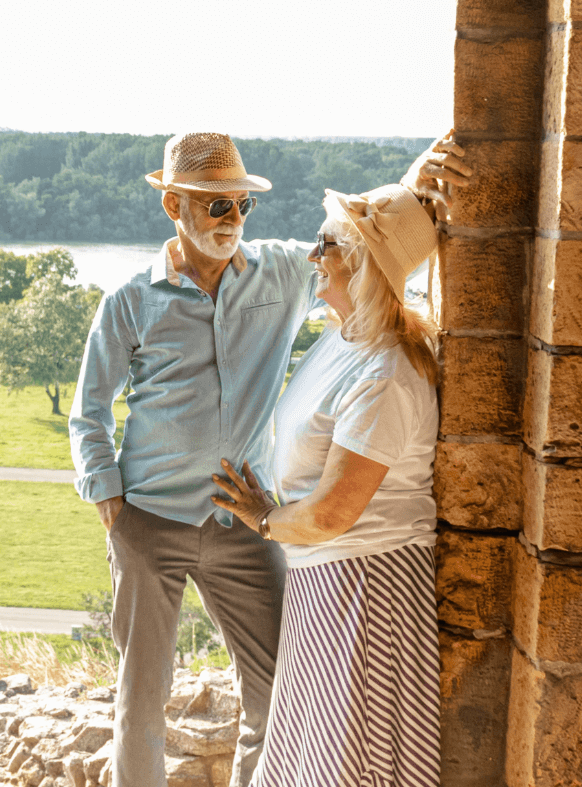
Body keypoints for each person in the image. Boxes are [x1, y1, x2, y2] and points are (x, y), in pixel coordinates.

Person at [69, 131, 465, 787]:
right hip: (150, 522)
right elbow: (89, 412)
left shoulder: (284, 272)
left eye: (241, 206)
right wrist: (109, 497)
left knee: (277, 688)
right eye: (216, 205)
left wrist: (412, 184)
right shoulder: (130, 301)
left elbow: (372, 260)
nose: (233, 220)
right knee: (141, 697)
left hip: (244, 526)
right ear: (174, 204)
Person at [210, 182, 446, 786]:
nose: (314, 257)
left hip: (365, 593)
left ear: (361, 263)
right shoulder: (347, 339)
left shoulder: (386, 370)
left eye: (326, 245)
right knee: (316, 764)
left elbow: (332, 514)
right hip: (328, 585)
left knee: (350, 768)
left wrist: (264, 519)